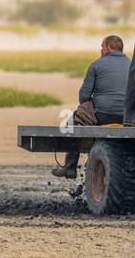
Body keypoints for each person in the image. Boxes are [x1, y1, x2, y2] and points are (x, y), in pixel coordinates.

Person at [53, 36, 129, 178]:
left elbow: (83, 97)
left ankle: (69, 167)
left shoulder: (96, 65)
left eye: (102, 47)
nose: (100, 50)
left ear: (108, 48)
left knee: (72, 120)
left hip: (102, 115)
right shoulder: (133, 65)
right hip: (126, 116)